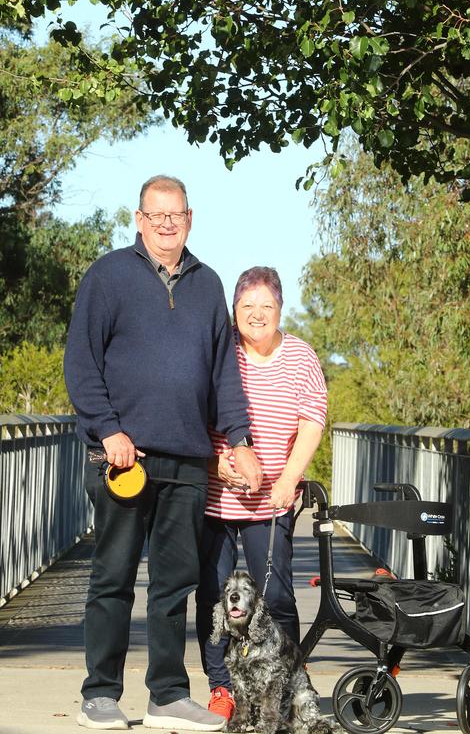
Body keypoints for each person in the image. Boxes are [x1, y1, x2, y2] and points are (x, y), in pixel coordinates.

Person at [64, 175, 263, 733]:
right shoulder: (108, 276)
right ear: (138, 219)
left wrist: (240, 441)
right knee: (114, 578)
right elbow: (81, 362)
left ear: (190, 219)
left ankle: (168, 696)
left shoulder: (208, 284)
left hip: (188, 462)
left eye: (176, 215)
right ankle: (99, 694)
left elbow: (225, 375)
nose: (166, 224)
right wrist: (107, 430)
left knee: (175, 584)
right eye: (156, 216)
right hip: (124, 459)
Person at [195, 266, 328, 720]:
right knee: (216, 595)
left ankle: (288, 684)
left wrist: (290, 478)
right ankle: (223, 689)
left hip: (271, 504)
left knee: (275, 597)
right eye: (247, 306)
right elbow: (192, 412)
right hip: (216, 496)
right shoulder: (220, 351)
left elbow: (313, 419)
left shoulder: (301, 357)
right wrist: (217, 462)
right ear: (234, 310)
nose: (256, 314)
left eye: (265, 306)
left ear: (280, 309)